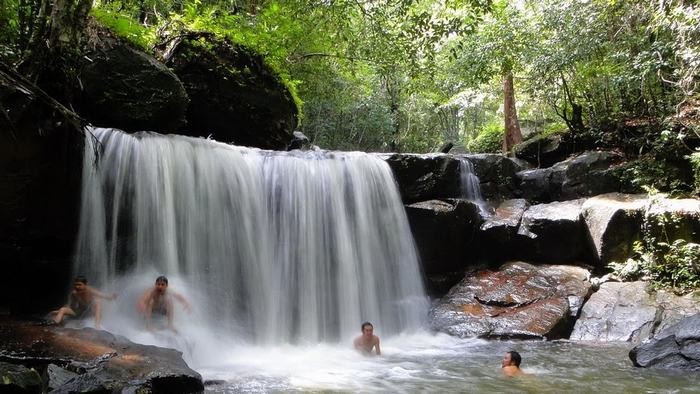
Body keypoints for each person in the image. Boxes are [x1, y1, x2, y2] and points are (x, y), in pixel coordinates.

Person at [50, 276, 117, 329]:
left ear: (86, 285)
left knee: (97, 301)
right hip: (80, 313)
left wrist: (110, 297)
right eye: (75, 285)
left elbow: (102, 295)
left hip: (91, 314)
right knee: (63, 309)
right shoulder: (74, 293)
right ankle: (55, 324)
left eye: (79, 285)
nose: (77, 287)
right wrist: (59, 311)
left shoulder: (90, 290)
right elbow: (71, 306)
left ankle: (97, 326)